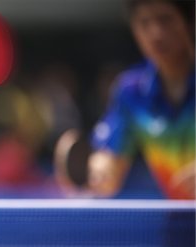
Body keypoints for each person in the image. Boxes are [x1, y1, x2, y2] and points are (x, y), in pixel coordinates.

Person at [55, 0, 195, 199]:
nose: (156, 33)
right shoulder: (131, 92)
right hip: (177, 224)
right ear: (134, 29)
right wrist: (102, 171)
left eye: (166, 20)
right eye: (145, 23)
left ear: (190, 22)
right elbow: (110, 159)